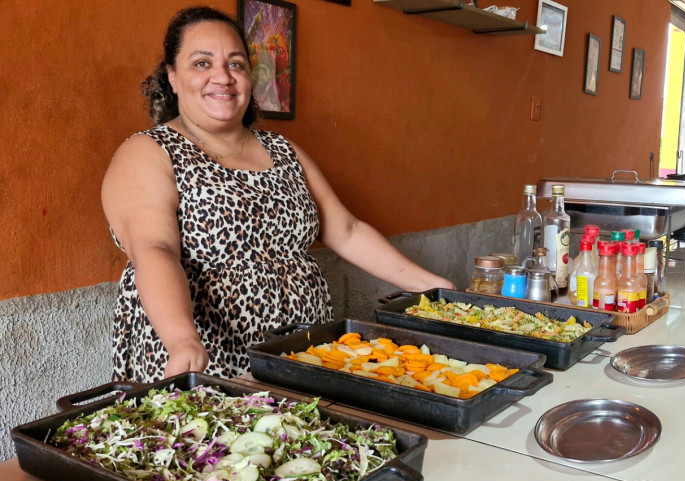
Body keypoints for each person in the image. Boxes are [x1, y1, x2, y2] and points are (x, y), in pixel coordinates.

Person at [101, 6, 454, 383]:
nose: (222, 76)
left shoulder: (283, 150)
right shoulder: (149, 152)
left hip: (298, 351)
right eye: (202, 63)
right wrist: (181, 338)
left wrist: (432, 289)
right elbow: (155, 250)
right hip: (206, 357)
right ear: (172, 76)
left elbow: (347, 231)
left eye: (235, 64)